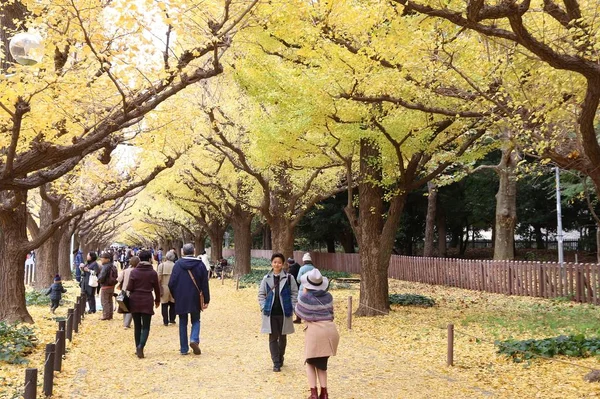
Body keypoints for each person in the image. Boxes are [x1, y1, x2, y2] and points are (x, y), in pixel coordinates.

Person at [295, 268, 339, 399]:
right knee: (321, 364)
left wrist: (304, 293)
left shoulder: (306, 297)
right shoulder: (328, 297)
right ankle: (324, 393)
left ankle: (313, 393)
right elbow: (331, 314)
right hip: (330, 332)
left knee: (310, 362)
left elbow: (299, 312)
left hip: (315, 333)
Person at [258, 252, 298, 372]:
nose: (277, 264)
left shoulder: (289, 278)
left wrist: (292, 305)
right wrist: (263, 306)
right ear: (271, 263)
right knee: (273, 338)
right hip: (270, 313)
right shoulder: (266, 279)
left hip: (284, 312)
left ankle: (281, 357)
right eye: (275, 262)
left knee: (283, 337)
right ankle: (275, 362)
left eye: (279, 262)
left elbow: (294, 293)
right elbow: (261, 294)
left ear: (283, 264)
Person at [168, 243, 210, 355]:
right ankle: (194, 339)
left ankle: (183, 349)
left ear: (183, 252)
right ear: (194, 251)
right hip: (195, 296)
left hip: (181, 297)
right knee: (196, 320)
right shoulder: (200, 265)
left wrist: (175, 295)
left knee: (182, 322)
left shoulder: (177, 265)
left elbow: (171, 283)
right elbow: (205, 283)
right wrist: (206, 299)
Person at [126, 250, 160, 358]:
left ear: (139, 259)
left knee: (137, 326)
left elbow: (129, 288)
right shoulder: (153, 273)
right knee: (146, 326)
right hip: (147, 300)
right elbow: (157, 289)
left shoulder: (134, 272)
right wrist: (157, 300)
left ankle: (137, 348)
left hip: (134, 300)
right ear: (150, 259)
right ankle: (141, 345)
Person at [117, 256, 139, 329]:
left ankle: (125, 322)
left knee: (125, 305)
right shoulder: (138, 271)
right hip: (134, 290)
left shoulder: (126, 270)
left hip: (125, 290)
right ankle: (127, 324)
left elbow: (119, 279)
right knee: (131, 307)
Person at [97, 251, 118, 320]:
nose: (101, 259)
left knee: (104, 301)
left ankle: (105, 315)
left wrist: (98, 280)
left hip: (105, 286)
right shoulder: (113, 266)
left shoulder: (105, 267)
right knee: (109, 301)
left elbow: (102, 276)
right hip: (112, 286)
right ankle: (110, 315)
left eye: (102, 258)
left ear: (107, 259)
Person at [295, 253, 315, 323]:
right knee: (310, 304)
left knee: (299, 303)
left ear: (304, 261)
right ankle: (309, 318)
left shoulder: (302, 268)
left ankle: (298, 318)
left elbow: (298, 279)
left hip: (302, 288)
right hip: (312, 289)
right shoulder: (314, 268)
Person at [158, 250, 177, 326]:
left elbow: (159, 277)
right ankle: (172, 319)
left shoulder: (161, 265)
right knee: (173, 303)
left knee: (164, 304)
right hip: (174, 287)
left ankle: (165, 321)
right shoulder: (176, 265)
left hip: (164, 286)